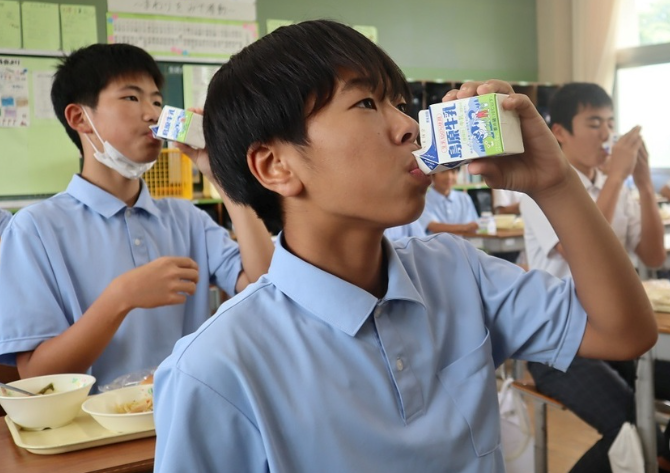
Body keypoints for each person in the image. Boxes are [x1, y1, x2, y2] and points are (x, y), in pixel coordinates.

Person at [153, 20, 657, 472]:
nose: (410, 126)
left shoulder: (456, 271)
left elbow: (625, 333)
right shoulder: (214, 369)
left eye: (398, 102)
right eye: (367, 103)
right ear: (275, 167)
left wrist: (555, 183)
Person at [0, 43, 274, 389]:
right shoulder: (34, 229)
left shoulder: (185, 217)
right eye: (132, 98)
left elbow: (265, 285)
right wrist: (121, 297)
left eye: (157, 101)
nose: (153, 114)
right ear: (79, 117)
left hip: (187, 418)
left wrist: (222, 176)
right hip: (92, 433)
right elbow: (37, 375)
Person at [520, 82, 670, 472]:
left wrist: (641, 183)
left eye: (610, 122)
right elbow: (580, 248)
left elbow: (653, 255)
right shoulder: (541, 187)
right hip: (560, 343)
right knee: (632, 427)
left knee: (647, 432)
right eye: (594, 123)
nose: (607, 134)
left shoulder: (614, 186)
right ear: (560, 134)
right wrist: (618, 178)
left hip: (620, 336)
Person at [418, 168, 479, 234]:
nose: (449, 177)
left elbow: (474, 225)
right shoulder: (422, 200)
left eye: (453, 172)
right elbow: (433, 226)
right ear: (432, 175)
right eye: (443, 172)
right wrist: (465, 228)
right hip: (435, 244)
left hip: (463, 243)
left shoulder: (465, 198)